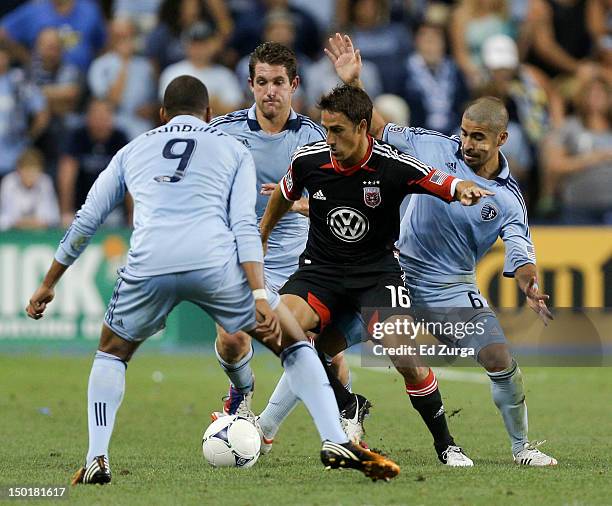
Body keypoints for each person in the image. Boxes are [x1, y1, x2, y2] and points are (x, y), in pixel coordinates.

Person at [25, 75, 399, 485]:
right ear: (208, 114)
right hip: (213, 263)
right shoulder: (230, 147)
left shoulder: (133, 149)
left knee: (111, 354)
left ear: (163, 115)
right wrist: (258, 290)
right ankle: (334, 438)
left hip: (149, 261)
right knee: (295, 344)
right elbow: (243, 224)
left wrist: (49, 282)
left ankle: (97, 456)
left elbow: (86, 220)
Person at [323, 34, 558, 466]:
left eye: (480, 138)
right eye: (465, 133)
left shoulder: (507, 198)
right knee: (320, 341)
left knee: (498, 356)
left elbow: (521, 253)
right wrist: (354, 83)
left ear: (502, 139)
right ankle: (275, 423)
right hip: (394, 274)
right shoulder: (432, 145)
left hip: (451, 288)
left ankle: (522, 447)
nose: (468, 144)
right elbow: (374, 126)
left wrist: (529, 285)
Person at [256, 83, 492, 465]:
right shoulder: (309, 161)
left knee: (404, 354)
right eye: (325, 129)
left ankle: (446, 444)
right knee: (283, 330)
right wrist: (263, 234)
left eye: (338, 131)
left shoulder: (392, 165)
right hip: (321, 272)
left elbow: (441, 181)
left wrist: (464, 188)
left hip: (376, 273)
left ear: (363, 127)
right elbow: (284, 192)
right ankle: (349, 405)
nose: (329, 139)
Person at [208, 42, 366, 443]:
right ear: (251, 85)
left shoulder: (317, 137)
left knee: (316, 347)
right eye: (262, 82)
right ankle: (242, 397)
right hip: (244, 257)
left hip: (303, 258)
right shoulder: (223, 133)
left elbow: (348, 201)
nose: (270, 92)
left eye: (279, 82)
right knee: (231, 339)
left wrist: (301, 204)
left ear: (294, 84)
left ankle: (290, 422)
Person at [0, 147, 60, 230]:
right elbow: (6, 217)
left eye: (34, 173)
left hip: (40, 234)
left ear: (40, 171)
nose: (30, 177)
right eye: (26, 172)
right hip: (12, 233)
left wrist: (36, 222)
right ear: (18, 170)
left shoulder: (45, 182)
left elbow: (51, 217)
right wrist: (21, 222)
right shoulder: (8, 182)